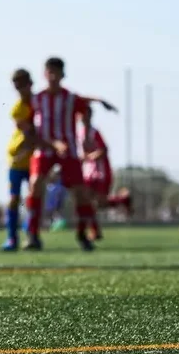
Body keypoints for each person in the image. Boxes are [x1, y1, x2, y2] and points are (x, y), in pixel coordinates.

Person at [24, 57, 116, 251]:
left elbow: (84, 104)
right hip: (44, 149)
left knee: (81, 192)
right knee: (35, 184)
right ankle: (32, 235)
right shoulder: (37, 99)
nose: (53, 77)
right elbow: (30, 129)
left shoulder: (70, 98)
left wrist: (100, 102)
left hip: (69, 151)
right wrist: (49, 143)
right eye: (50, 72)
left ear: (62, 75)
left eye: (57, 73)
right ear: (44, 74)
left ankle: (83, 234)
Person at [77, 107, 133, 240]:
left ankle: (121, 201)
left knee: (97, 203)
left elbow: (103, 150)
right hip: (87, 172)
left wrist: (89, 157)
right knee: (90, 202)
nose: (83, 118)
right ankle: (95, 230)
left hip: (100, 172)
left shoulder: (94, 133)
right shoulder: (79, 132)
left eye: (86, 115)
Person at [2, 69, 35, 251]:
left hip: (35, 160)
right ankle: (11, 238)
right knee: (14, 199)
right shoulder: (18, 109)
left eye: (22, 85)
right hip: (17, 159)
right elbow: (29, 133)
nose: (20, 90)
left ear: (30, 83)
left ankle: (31, 236)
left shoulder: (40, 103)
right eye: (17, 87)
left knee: (33, 199)